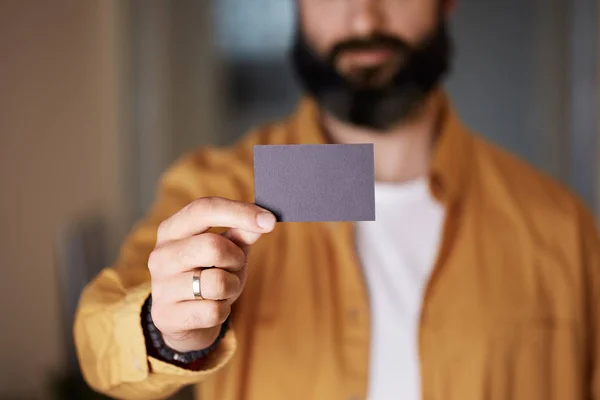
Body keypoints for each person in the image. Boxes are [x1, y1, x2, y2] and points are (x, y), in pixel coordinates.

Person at [74, 0, 600, 399]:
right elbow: (99, 346)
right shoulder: (210, 188)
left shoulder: (559, 226)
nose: (364, 18)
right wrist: (166, 329)